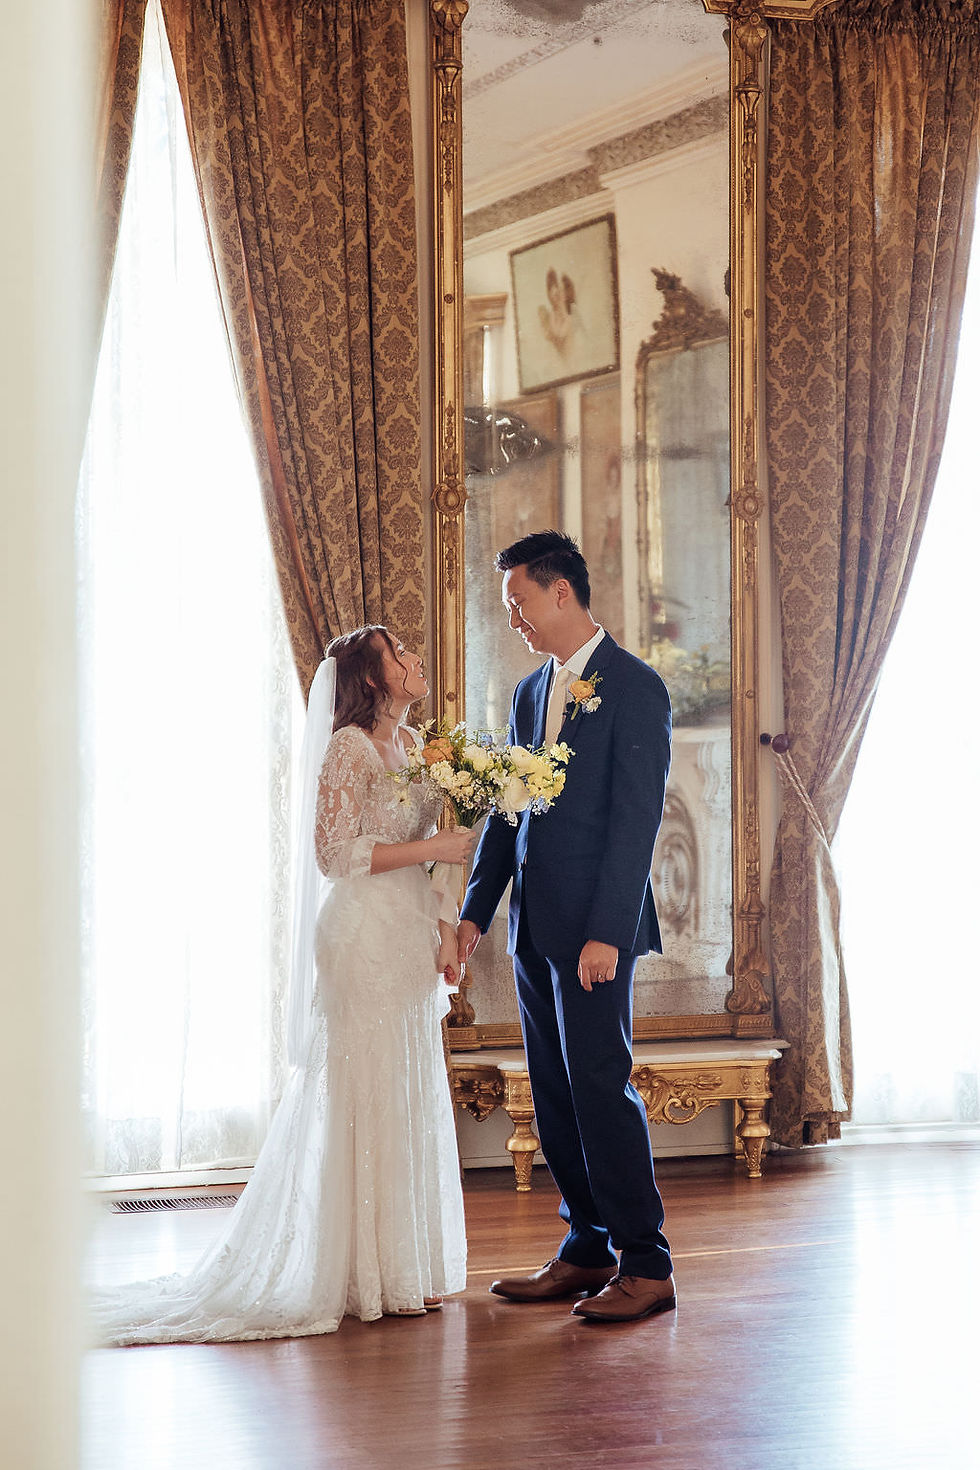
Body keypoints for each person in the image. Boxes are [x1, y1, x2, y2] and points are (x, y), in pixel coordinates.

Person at [91, 626, 472, 1345]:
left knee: (405, 1088)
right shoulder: (349, 749)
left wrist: (448, 928)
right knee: (366, 1090)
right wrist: (433, 848)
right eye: (400, 655)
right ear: (372, 677)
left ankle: (403, 1268)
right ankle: (357, 1273)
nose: (416, 660)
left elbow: (436, 863)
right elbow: (334, 855)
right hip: (359, 937)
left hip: (408, 934)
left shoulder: (422, 749)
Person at [457, 531, 675, 1323]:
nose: (513, 615)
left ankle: (647, 1265)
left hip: (594, 936)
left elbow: (635, 823)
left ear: (561, 593)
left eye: (519, 600)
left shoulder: (635, 687)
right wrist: (475, 914)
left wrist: (607, 933)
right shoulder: (528, 693)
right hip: (532, 931)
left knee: (598, 1090)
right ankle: (586, 1249)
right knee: (553, 1096)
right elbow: (506, 813)